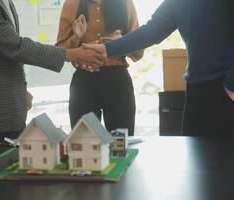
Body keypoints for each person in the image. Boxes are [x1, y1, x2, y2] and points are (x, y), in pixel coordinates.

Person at [0, 0, 105, 142]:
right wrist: (72, 54)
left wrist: (19, 91)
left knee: (15, 164)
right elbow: (15, 46)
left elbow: (5, 53)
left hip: (10, 105)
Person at [84, 0, 234, 136]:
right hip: (197, 90)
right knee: (197, 157)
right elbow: (152, 30)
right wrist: (107, 49)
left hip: (227, 88)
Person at [56, 0, 144, 136]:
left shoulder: (125, 3)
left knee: (120, 143)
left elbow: (139, 51)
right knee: (83, 142)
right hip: (84, 80)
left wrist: (121, 42)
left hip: (117, 81)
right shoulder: (72, 4)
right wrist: (75, 37)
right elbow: (59, 52)